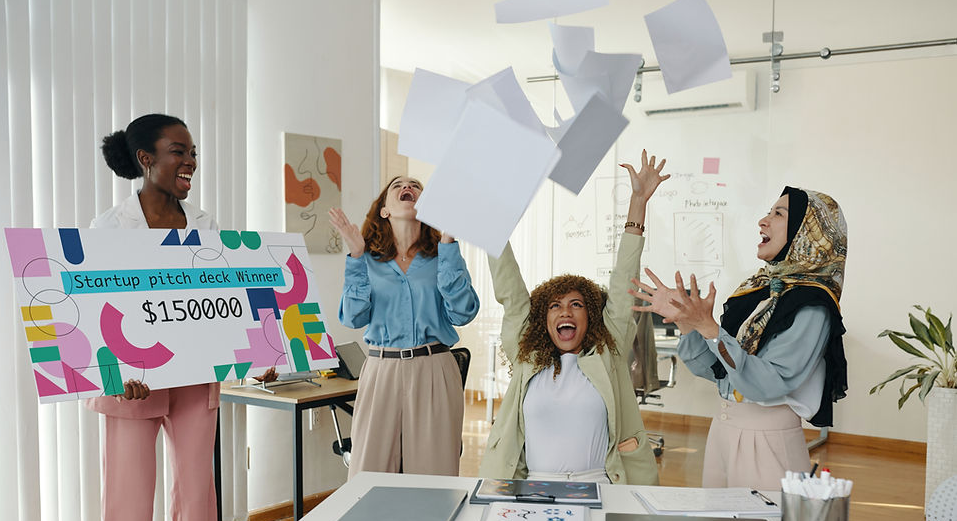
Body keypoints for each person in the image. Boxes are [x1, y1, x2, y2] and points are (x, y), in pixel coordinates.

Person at [87, 114, 219, 521]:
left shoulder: (206, 226)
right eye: (178, 151)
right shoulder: (109, 228)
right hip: (130, 383)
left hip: (192, 381)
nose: (190, 161)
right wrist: (114, 373)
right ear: (146, 159)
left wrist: (257, 350)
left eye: (193, 152)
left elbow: (218, 307)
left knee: (199, 512)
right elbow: (93, 309)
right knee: (128, 517)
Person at [630, 187, 848, 491]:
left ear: (806, 230)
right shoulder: (758, 291)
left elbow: (766, 384)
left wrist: (710, 329)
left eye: (778, 214)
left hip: (768, 441)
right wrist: (686, 322)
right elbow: (716, 371)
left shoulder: (812, 306)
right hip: (722, 430)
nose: (763, 220)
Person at [477, 150, 666, 485]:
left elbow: (624, 283)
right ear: (542, 320)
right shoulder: (528, 357)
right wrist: (491, 217)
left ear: (591, 316)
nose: (565, 311)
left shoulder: (609, 353)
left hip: (600, 488)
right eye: (554, 306)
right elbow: (510, 289)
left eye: (576, 305)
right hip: (534, 489)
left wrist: (638, 203)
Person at [330, 176, 479, 478]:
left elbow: (463, 313)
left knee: (433, 472)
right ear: (384, 210)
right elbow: (353, 318)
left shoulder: (443, 255)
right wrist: (356, 257)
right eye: (397, 185)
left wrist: (449, 244)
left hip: (434, 368)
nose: (407, 187)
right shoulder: (366, 260)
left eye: (415, 185)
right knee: (369, 471)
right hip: (381, 369)